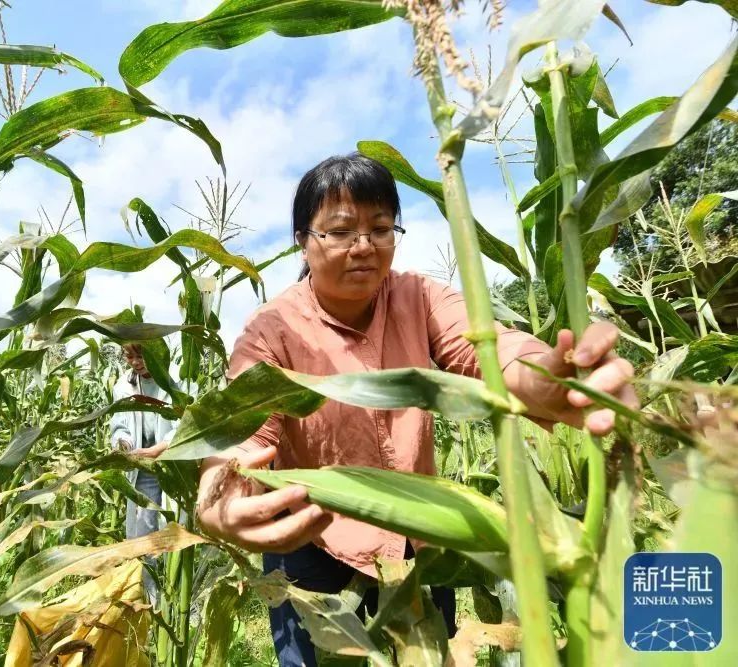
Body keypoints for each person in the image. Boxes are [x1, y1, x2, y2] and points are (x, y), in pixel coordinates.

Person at [193, 153, 639, 666]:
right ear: (302, 240)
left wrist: (548, 379)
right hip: (311, 540)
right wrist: (219, 491)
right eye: (339, 232)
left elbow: (488, 348)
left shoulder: (419, 296)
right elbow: (243, 435)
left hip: (417, 539)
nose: (363, 246)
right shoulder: (271, 330)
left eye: (381, 228)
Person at [110, 343, 174, 601]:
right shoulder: (123, 386)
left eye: (141, 356)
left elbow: (184, 426)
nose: (136, 362)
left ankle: (175, 597)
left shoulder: (174, 381)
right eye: (130, 356)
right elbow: (119, 425)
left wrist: (159, 449)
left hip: (171, 466)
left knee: (171, 532)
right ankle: (149, 599)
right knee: (142, 535)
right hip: (142, 468)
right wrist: (123, 445)